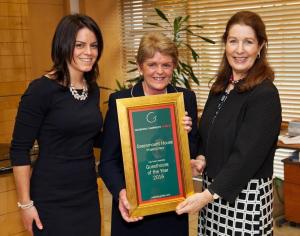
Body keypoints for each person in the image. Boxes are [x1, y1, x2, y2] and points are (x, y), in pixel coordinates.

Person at [176, 11, 282, 235]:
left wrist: (205, 196)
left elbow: (245, 157)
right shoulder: (220, 87)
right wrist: (202, 156)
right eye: (233, 41)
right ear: (225, 44)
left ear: (261, 46)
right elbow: (209, 131)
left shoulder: (264, 94)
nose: (239, 50)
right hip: (213, 195)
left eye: (248, 42)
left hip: (245, 199)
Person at [10, 14, 103, 236]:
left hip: (87, 194)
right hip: (51, 198)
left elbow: (92, 136)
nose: (88, 52)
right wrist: (25, 204)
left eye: (94, 45)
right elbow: (20, 150)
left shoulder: (92, 89)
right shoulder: (41, 90)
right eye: (79, 45)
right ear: (63, 45)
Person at [99, 32, 198, 236]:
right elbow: (107, 162)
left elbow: (194, 151)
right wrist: (122, 193)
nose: (159, 71)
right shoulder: (121, 101)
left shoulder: (185, 99)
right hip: (133, 209)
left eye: (166, 65)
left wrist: (185, 137)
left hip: (172, 208)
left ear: (174, 66)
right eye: (152, 64)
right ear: (140, 65)